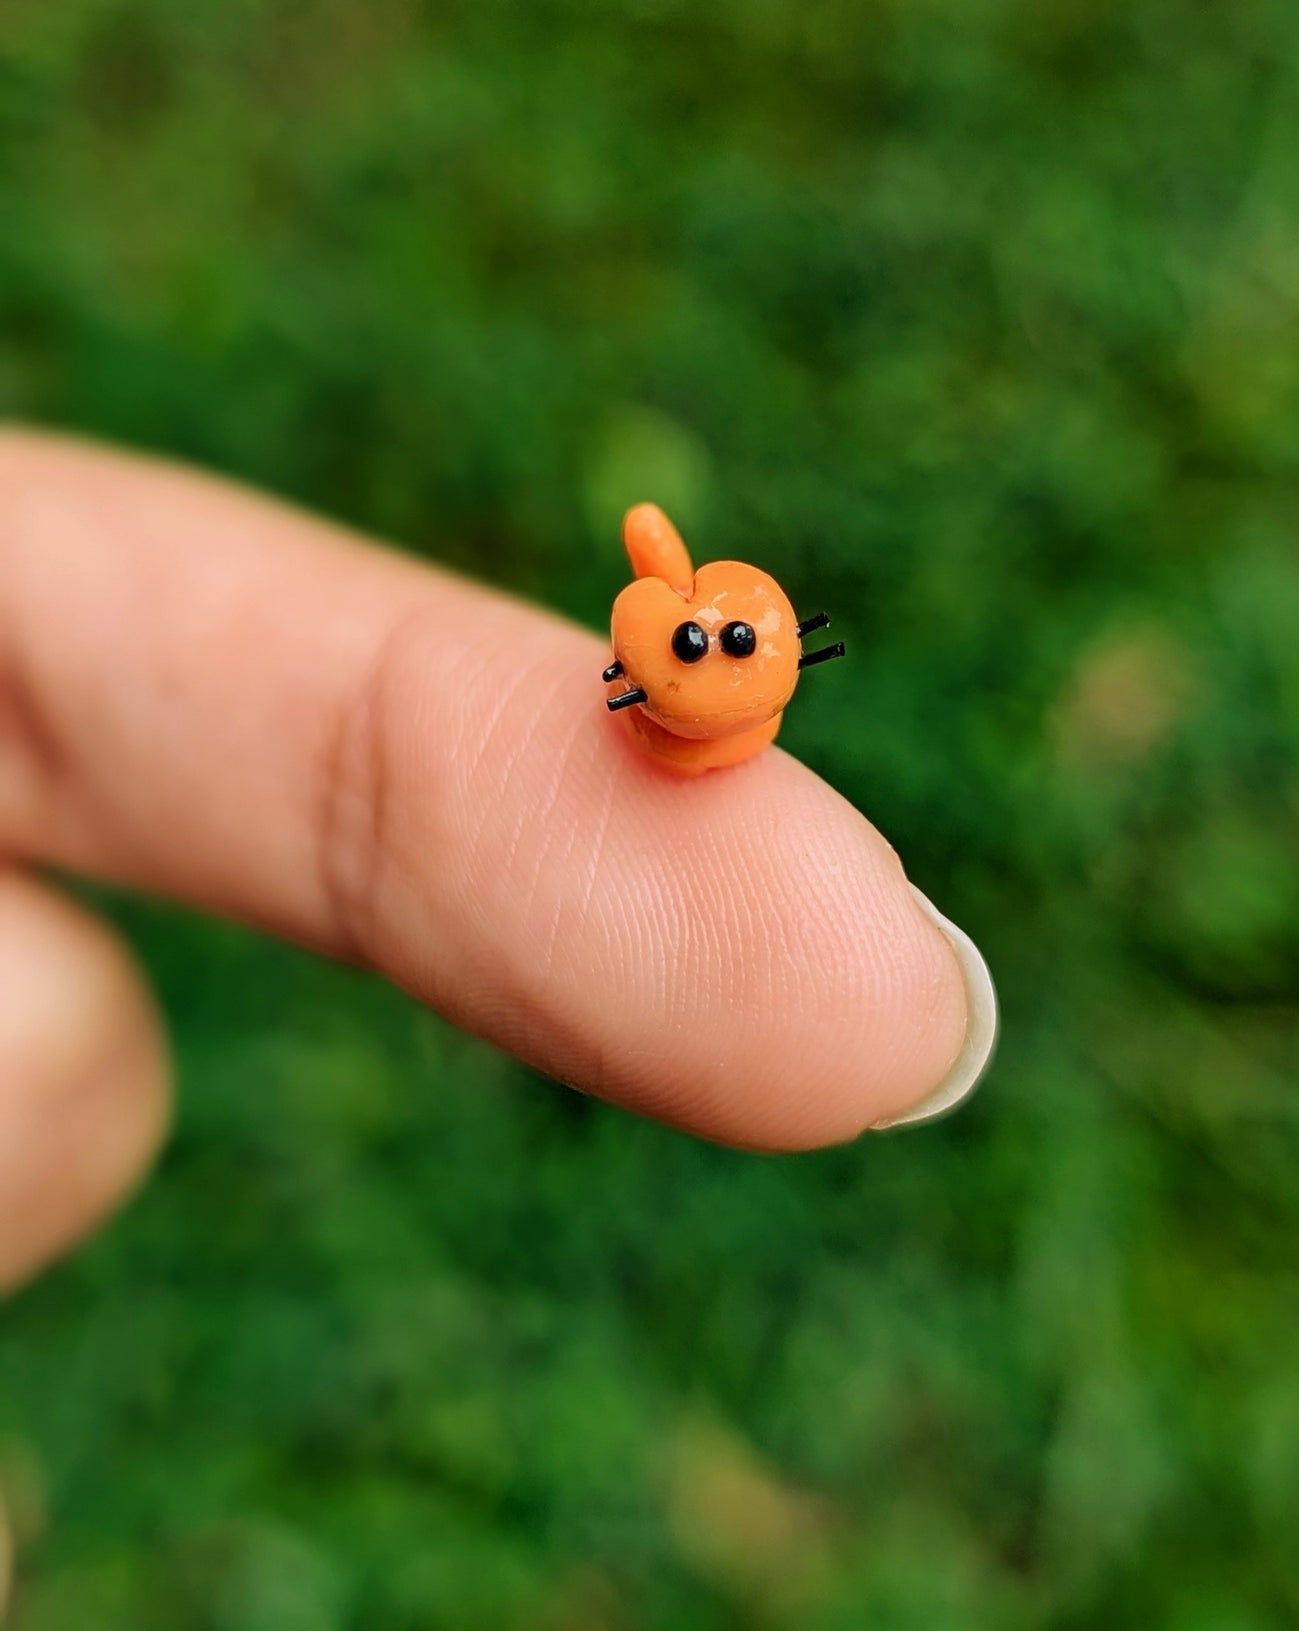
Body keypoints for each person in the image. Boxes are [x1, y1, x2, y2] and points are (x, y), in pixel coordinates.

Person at [0, 428, 991, 1299]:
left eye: (732, 642)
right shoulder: (650, 679)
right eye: (698, 645)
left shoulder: (723, 674)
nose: (724, 655)